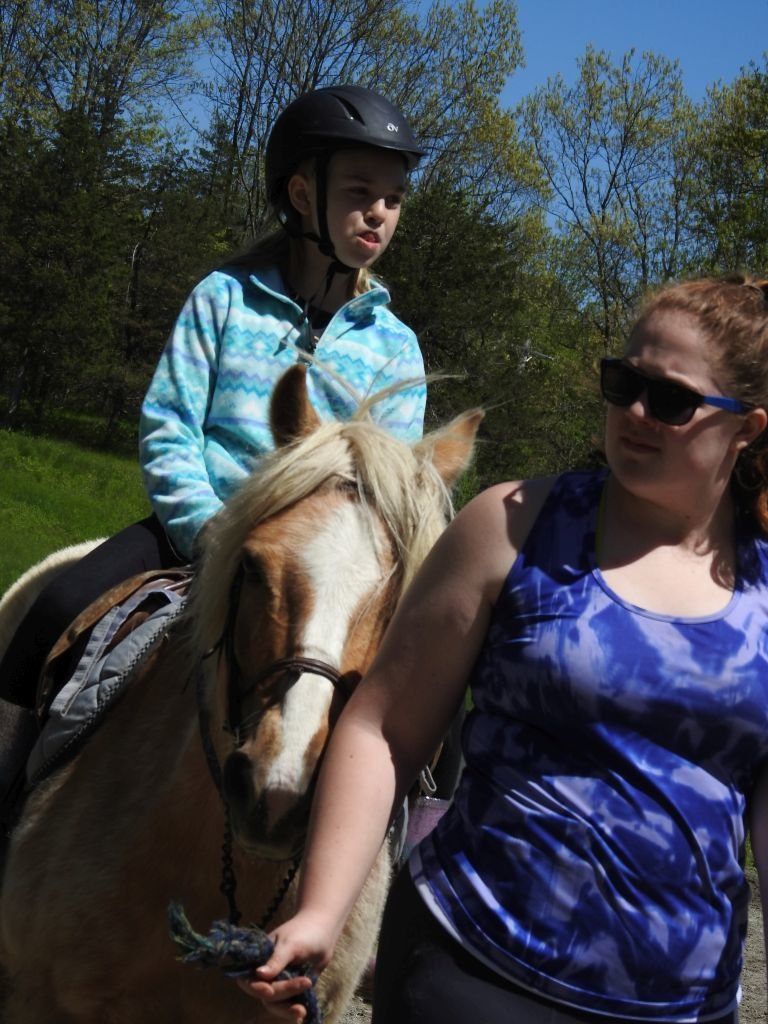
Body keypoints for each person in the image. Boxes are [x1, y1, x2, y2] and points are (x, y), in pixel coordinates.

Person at [242, 274, 768, 1024]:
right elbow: (385, 729)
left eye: (671, 400)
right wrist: (322, 912)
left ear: (746, 429)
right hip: (473, 972)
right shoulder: (514, 526)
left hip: (684, 1007)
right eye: (624, 384)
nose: (635, 412)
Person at [0, 84, 426, 715]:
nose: (378, 213)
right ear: (302, 195)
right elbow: (169, 426)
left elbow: (390, 495)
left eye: (393, 199)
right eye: (359, 192)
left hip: (322, 572)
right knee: (56, 609)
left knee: (436, 705)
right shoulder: (224, 298)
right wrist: (211, 532)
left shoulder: (396, 349)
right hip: (195, 535)